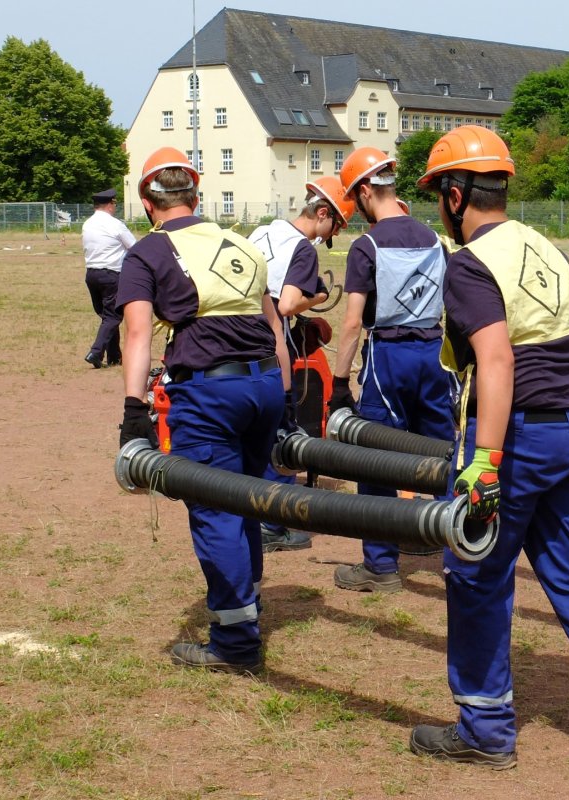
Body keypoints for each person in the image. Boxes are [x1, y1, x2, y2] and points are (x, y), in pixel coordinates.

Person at [408, 125, 569, 768]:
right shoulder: (549, 252)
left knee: (476, 574)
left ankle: (485, 730)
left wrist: (485, 462)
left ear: (454, 195)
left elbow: (496, 360)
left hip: (517, 438)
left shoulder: (470, 263)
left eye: (437, 194)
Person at [115, 146, 289, 675]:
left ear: (148, 203)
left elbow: (137, 334)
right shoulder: (243, 245)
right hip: (265, 383)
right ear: (196, 195)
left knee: (215, 509)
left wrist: (133, 411)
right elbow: (275, 328)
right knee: (249, 498)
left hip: (210, 393)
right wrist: (286, 403)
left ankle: (235, 641)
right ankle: (248, 604)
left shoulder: (147, 252)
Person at [327, 146, 456, 593]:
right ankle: (461, 556)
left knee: (376, 459)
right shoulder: (436, 240)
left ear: (365, 191)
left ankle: (380, 565)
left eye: (354, 197)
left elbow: (351, 323)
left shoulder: (367, 246)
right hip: (436, 353)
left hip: (388, 356)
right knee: (444, 453)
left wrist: (339, 384)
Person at [246, 177, 352, 552]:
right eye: (335, 226)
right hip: (271, 346)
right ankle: (274, 525)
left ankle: (248, 512)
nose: (333, 235)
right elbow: (288, 304)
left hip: (237, 341)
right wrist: (318, 297)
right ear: (322, 213)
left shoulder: (262, 232)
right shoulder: (302, 249)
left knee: (250, 436)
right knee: (282, 434)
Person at [82, 187, 136, 368]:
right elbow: (133, 247)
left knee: (106, 317)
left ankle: (114, 356)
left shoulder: (87, 224)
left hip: (91, 274)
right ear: (110, 205)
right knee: (112, 317)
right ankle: (96, 352)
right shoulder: (115, 224)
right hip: (111, 274)